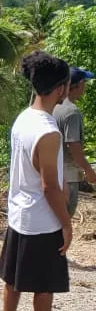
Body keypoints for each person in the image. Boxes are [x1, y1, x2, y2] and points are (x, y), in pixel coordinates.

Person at [0, 50, 75, 311]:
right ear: (61, 88)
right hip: (42, 220)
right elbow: (48, 186)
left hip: (18, 212)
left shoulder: (24, 118)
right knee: (46, 282)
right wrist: (67, 223)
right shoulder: (49, 131)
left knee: (13, 275)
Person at [53, 66, 96, 217]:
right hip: (68, 177)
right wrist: (88, 171)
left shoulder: (53, 107)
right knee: (63, 221)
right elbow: (73, 146)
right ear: (76, 85)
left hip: (51, 174)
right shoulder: (72, 112)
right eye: (84, 82)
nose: (85, 86)